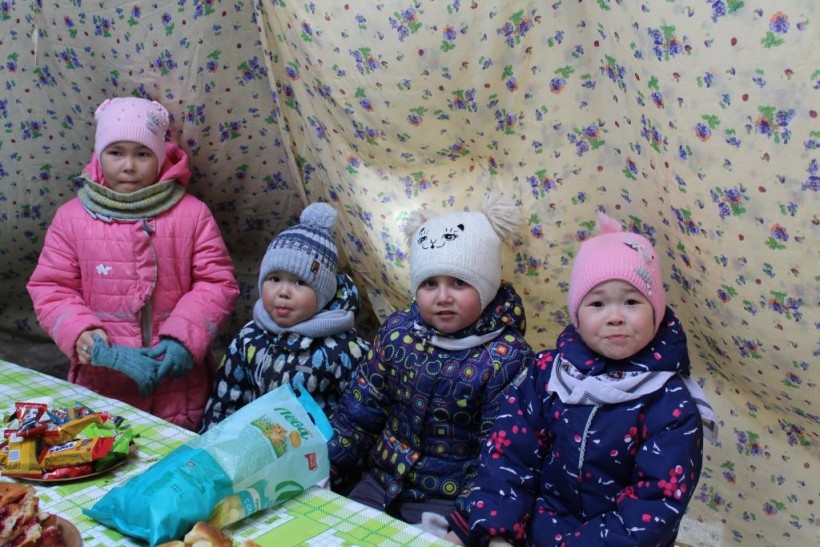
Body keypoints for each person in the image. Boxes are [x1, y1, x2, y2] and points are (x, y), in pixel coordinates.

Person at [446, 211, 719, 546]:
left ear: (656, 311)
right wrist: (497, 531)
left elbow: (653, 506)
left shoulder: (670, 403)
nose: (615, 317)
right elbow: (509, 455)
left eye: (632, 301)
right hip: (534, 530)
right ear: (577, 314)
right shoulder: (547, 374)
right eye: (598, 303)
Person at [27, 96, 239, 430]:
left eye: (142, 154)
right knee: (105, 454)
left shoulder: (193, 214)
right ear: (99, 155)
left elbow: (217, 282)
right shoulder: (71, 219)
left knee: (178, 456)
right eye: (116, 152)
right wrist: (82, 333)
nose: (128, 166)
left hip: (179, 386)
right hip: (104, 381)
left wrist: (184, 339)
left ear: (161, 156)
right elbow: (51, 288)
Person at [327, 192, 534, 535]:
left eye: (459, 282)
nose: (443, 297)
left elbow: (500, 453)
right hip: (382, 479)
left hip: (448, 500)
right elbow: (360, 410)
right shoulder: (397, 334)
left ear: (486, 286)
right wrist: (327, 464)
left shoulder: (507, 358)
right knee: (336, 534)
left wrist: (466, 521)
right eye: (429, 283)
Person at [199, 202, 371, 431]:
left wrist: (336, 452)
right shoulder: (249, 337)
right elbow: (226, 399)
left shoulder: (345, 350)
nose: (283, 292)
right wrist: (212, 442)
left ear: (324, 294)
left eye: (300, 282)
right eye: (275, 279)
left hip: (319, 450)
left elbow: (358, 417)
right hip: (255, 445)